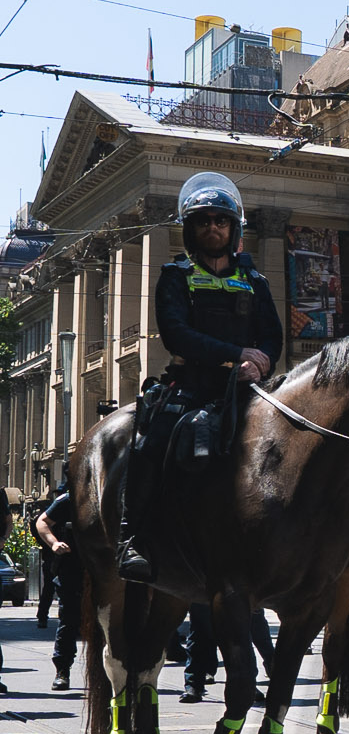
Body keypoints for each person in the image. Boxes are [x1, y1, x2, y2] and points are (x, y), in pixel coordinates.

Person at [117, 172, 284, 583]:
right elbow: (176, 334)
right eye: (203, 221)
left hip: (246, 389)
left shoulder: (255, 280)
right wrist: (235, 354)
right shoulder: (175, 275)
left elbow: (272, 336)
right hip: (191, 386)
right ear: (190, 229)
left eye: (220, 220)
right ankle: (133, 538)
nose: (213, 227)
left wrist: (261, 363)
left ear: (233, 228)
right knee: (150, 441)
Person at [34, 470, 84, 692]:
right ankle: (62, 670)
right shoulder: (69, 499)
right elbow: (42, 522)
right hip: (71, 569)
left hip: (102, 572)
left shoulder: (112, 496)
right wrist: (54, 543)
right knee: (69, 621)